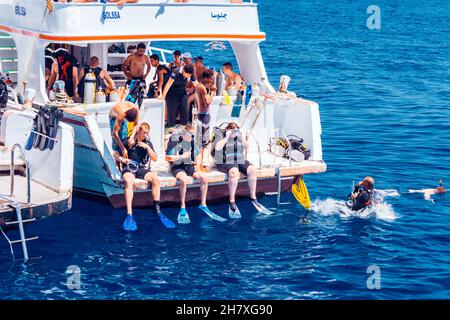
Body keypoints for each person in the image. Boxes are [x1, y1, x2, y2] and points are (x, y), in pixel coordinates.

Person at [113, 122, 161, 231]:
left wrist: (147, 148)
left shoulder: (147, 143)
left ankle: (156, 208)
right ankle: (129, 213)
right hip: (129, 166)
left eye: (147, 133)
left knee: (155, 180)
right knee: (128, 181)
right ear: (138, 130)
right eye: (144, 132)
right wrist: (122, 159)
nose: (145, 135)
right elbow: (115, 153)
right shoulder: (128, 141)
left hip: (141, 168)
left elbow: (155, 158)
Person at [166, 125, 216, 223]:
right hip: (177, 167)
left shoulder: (192, 141)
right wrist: (182, 156)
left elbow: (197, 154)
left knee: (204, 178)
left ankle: (203, 204)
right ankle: (183, 206)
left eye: (193, 134)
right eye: (190, 134)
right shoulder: (175, 141)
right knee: (184, 180)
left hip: (189, 166)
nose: (192, 136)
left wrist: (197, 164)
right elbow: (167, 157)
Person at [213, 122, 265, 217]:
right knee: (234, 172)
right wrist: (227, 137)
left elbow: (247, 147)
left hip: (239, 159)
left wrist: (241, 138)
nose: (234, 132)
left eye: (236, 130)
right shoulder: (221, 136)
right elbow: (217, 148)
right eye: (232, 130)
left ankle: (253, 197)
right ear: (227, 130)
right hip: (225, 161)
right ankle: (232, 200)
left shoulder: (239, 137)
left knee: (252, 170)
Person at [159, 64, 198, 128]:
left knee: (185, 113)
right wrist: (163, 96)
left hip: (182, 93)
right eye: (186, 75)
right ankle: (171, 129)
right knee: (172, 114)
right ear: (183, 70)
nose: (187, 76)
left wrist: (203, 93)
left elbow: (197, 85)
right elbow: (168, 84)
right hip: (172, 94)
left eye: (189, 76)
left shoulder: (191, 74)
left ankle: (183, 129)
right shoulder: (175, 72)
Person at [109, 88, 139, 159]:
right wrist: (122, 148)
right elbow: (114, 133)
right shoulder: (121, 114)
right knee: (117, 145)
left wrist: (131, 137)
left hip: (124, 112)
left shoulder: (135, 108)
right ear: (125, 117)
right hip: (113, 117)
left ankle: (124, 158)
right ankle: (118, 163)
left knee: (125, 139)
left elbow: (136, 124)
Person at [195, 70, 216, 161]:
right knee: (205, 141)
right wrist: (212, 92)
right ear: (205, 78)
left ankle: (199, 159)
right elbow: (207, 103)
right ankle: (203, 161)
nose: (211, 80)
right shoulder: (202, 88)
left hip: (200, 114)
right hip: (204, 115)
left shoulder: (199, 86)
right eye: (210, 78)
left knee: (200, 139)